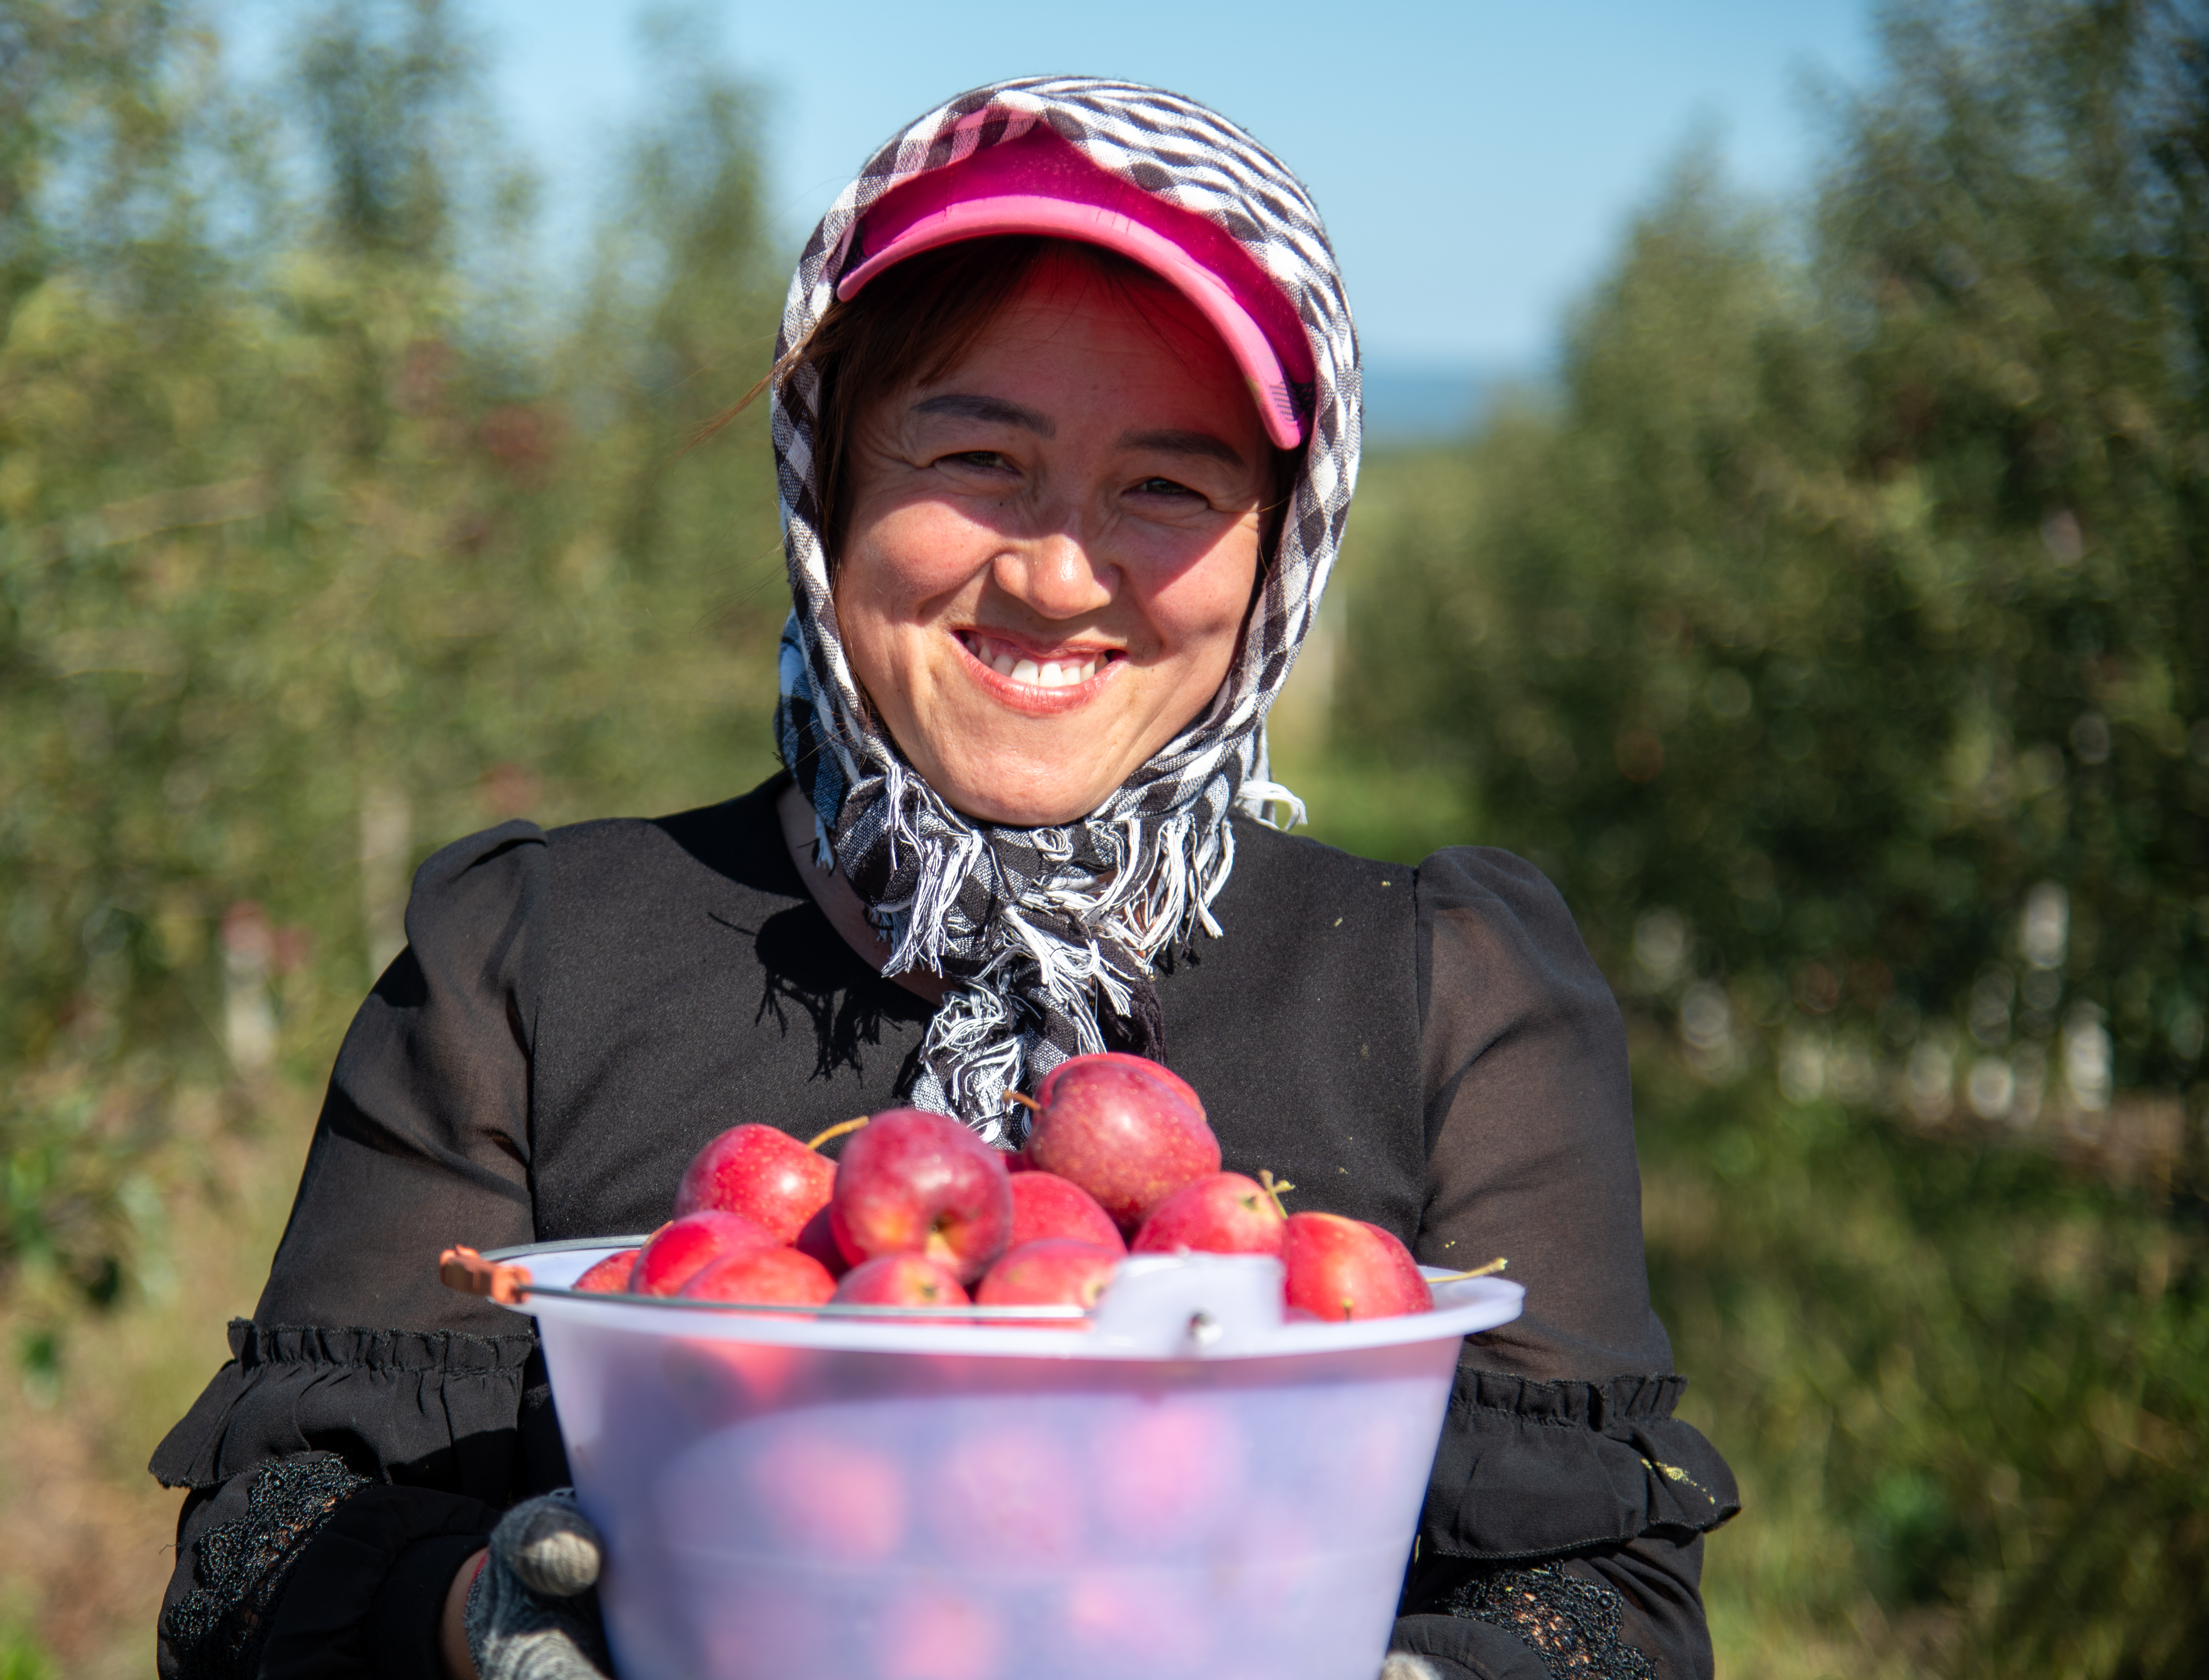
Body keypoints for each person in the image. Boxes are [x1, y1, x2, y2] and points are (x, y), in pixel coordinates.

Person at [150, 77, 1738, 1680]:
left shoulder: (1445, 996)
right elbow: (261, 1556)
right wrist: (483, 1622)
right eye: (978, 457)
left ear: (1279, 547)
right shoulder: (529, 968)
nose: (1055, 572)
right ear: (830, 481)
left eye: (1169, 488)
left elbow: (1608, 1597)